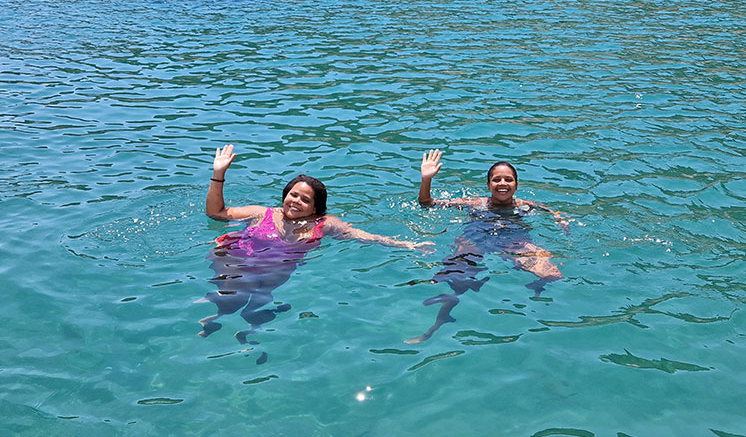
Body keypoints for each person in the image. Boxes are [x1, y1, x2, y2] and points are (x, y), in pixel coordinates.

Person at [199, 145, 431, 351]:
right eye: (293, 195)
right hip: (238, 258)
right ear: (285, 196)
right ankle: (215, 316)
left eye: (305, 200)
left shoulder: (324, 224)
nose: (296, 201)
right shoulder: (262, 213)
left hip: (276, 268)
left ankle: (248, 333)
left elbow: (361, 235)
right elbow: (216, 213)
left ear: (315, 207)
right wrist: (218, 174)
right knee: (235, 296)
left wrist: (406, 245)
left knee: (259, 301)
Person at [405, 149, 569, 344]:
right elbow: (427, 204)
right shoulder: (475, 203)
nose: (502, 184)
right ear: (489, 184)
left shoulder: (526, 205)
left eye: (508, 180)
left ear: (516, 184)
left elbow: (551, 210)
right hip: (476, 239)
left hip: (512, 240)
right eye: (496, 179)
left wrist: (560, 219)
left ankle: (536, 292)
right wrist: (426, 180)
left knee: (553, 274)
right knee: (456, 281)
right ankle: (438, 321)